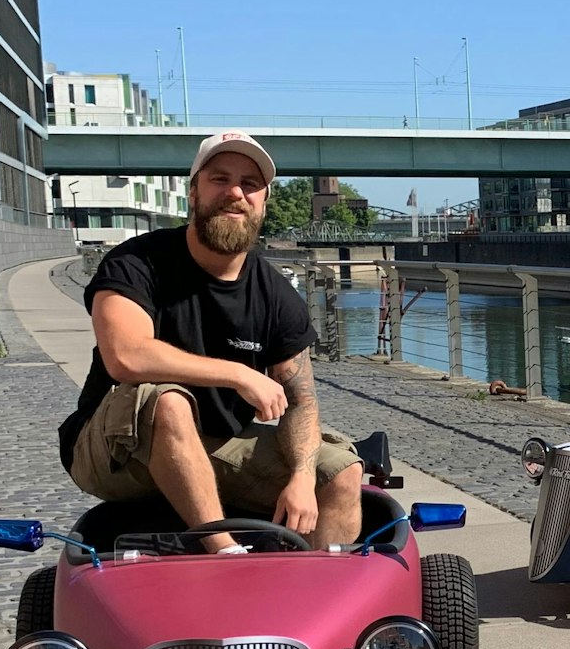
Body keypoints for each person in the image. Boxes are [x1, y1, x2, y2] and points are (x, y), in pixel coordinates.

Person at [56, 131, 362, 550]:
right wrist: (238, 374)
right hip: (114, 449)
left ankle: (317, 601)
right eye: (220, 179)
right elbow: (125, 356)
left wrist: (304, 479)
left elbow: (301, 401)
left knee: (340, 473)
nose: (235, 192)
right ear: (194, 192)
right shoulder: (135, 262)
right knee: (167, 400)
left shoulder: (275, 294)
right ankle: (224, 553)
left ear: (263, 202)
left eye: (249, 184)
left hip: (213, 445)